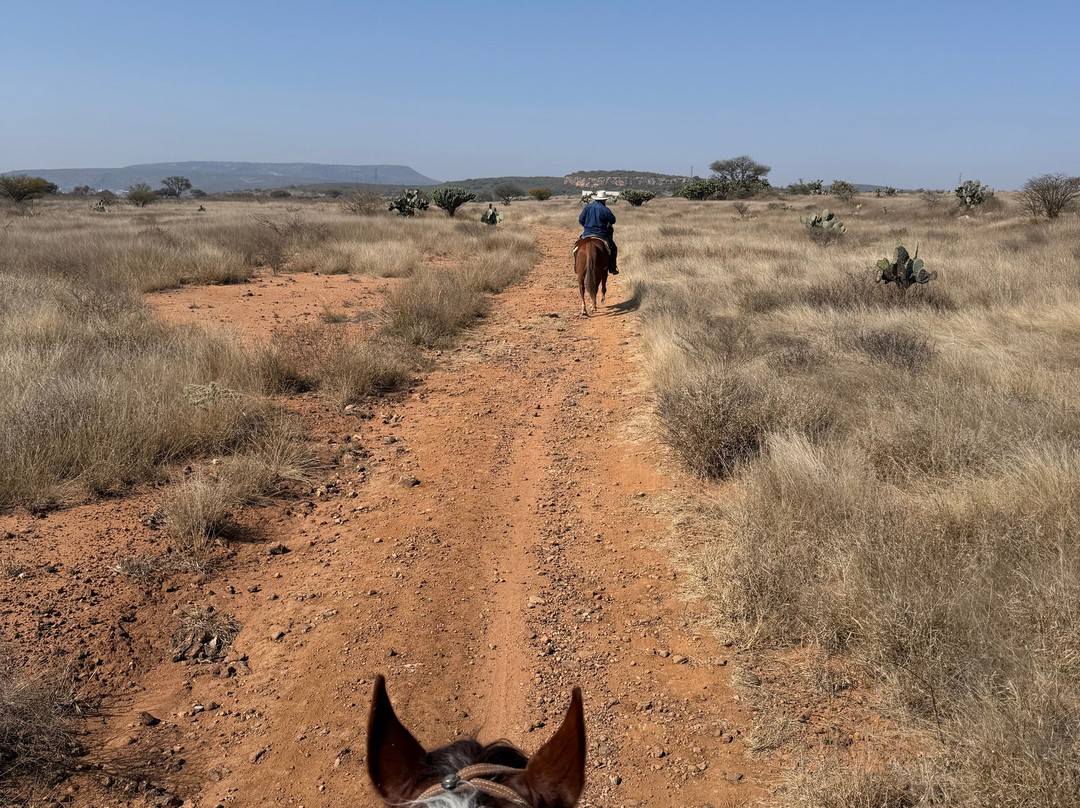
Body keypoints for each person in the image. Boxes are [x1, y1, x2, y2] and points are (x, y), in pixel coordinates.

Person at [578, 191, 618, 274]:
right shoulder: (605, 209)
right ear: (604, 200)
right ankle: (612, 268)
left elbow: (581, 220)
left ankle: (577, 266)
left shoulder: (587, 207)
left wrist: (586, 226)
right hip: (602, 234)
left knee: (576, 247)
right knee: (613, 248)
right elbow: (613, 220)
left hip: (587, 233)